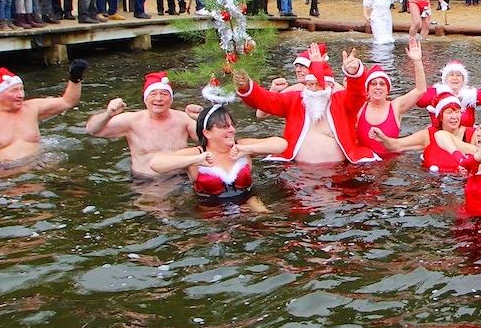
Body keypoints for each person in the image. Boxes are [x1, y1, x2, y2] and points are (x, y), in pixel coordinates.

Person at [235, 53, 375, 164]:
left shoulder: (342, 102)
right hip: (297, 171)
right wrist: (247, 87)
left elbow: (357, 93)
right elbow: (265, 101)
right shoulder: (295, 100)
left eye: (318, 85)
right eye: (310, 84)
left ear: (331, 86)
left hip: (340, 173)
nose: (313, 90)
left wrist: (355, 73)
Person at [0, 61, 87, 163]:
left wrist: (75, 79)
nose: (20, 95)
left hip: (37, 166)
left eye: (21, 89)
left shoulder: (31, 108)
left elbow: (68, 101)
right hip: (0, 172)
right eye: (14, 91)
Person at [147, 104, 279, 212]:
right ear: (207, 133)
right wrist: (195, 160)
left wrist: (248, 149)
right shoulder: (197, 154)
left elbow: (280, 144)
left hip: (249, 201)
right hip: (211, 210)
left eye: (232, 125)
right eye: (224, 126)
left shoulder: (241, 147)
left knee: (266, 217)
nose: (232, 130)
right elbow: (155, 163)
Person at [85, 72, 203, 176]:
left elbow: (210, 141)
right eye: (153, 94)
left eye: (164, 94)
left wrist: (201, 118)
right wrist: (108, 114)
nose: (158, 99)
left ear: (171, 99)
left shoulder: (183, 119)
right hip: (145, 182)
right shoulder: (131, 121)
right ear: (145, 99)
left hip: (179, 179)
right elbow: (92, 130)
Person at [353, 42, 428, 160]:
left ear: (388, 90)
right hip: (365, 162)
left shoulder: (396, 106)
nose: (378, 87)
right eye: (373, 84)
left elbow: (420, 90)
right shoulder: (359, 108)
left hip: (390, 163)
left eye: (382, 84)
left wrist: (417, 61)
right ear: (367, 90)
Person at [417, 60, 481, 128]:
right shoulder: (437, 91)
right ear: (445, 79)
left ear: (463, 79)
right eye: (451, 75)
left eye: (458, 75)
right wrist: (443, 96)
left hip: (466, 134)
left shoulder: (468, 93)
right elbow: (420, 100)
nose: (455, 78)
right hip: (441, 134)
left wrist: (470, 96)